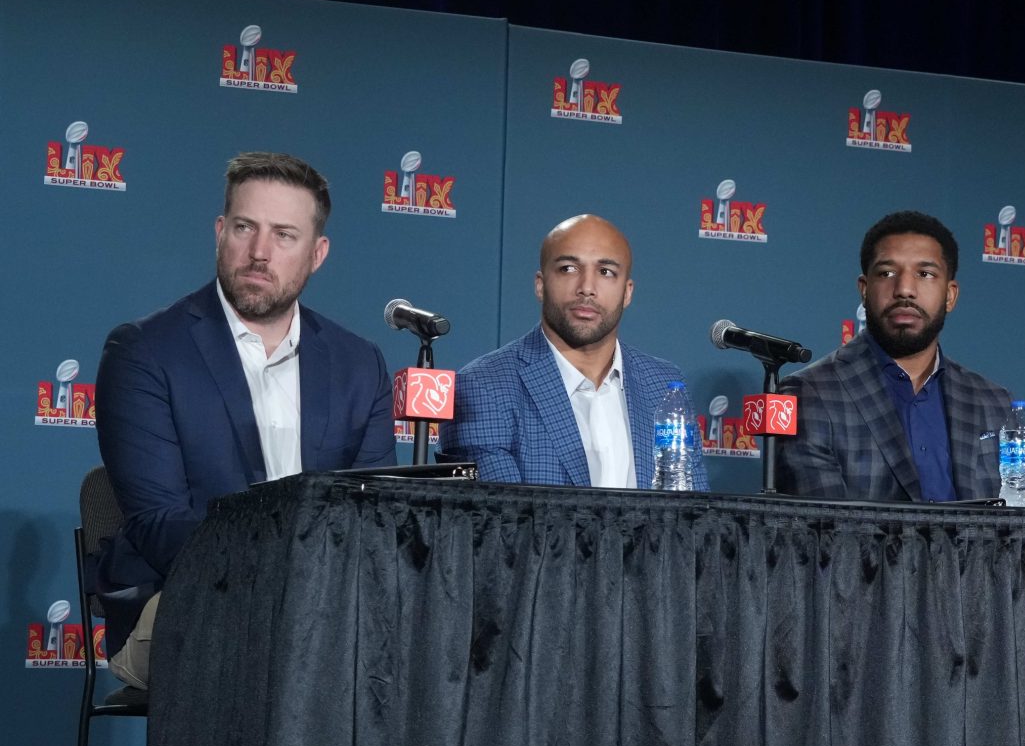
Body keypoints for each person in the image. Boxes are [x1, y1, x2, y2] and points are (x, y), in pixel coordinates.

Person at [93, 151, 396, 689]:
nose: (259, 252)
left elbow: (372, 518)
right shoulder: (144, 351)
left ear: (317, 253)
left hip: (321, 611)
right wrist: (288, 576)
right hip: (185, 597)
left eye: (284, 235)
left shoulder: (358, 363)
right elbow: (159, 524)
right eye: (244, 228)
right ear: (219, 231)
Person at [443, 214, 706, 490]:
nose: (587, 289)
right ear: (540, 284)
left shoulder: (664, 385)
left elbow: (692, 515)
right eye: (569, 268)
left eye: (606, 272)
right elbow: (502, 523)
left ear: (627, 292)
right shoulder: (483, 387)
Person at [774, 211, 1013, 501]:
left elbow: (1020, 532)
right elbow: (826, 533)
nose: (905, 290)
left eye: (925, 274)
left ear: (950, 295)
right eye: (887, 273)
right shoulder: (811, 394)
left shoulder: (993, 403)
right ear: (864, 290)